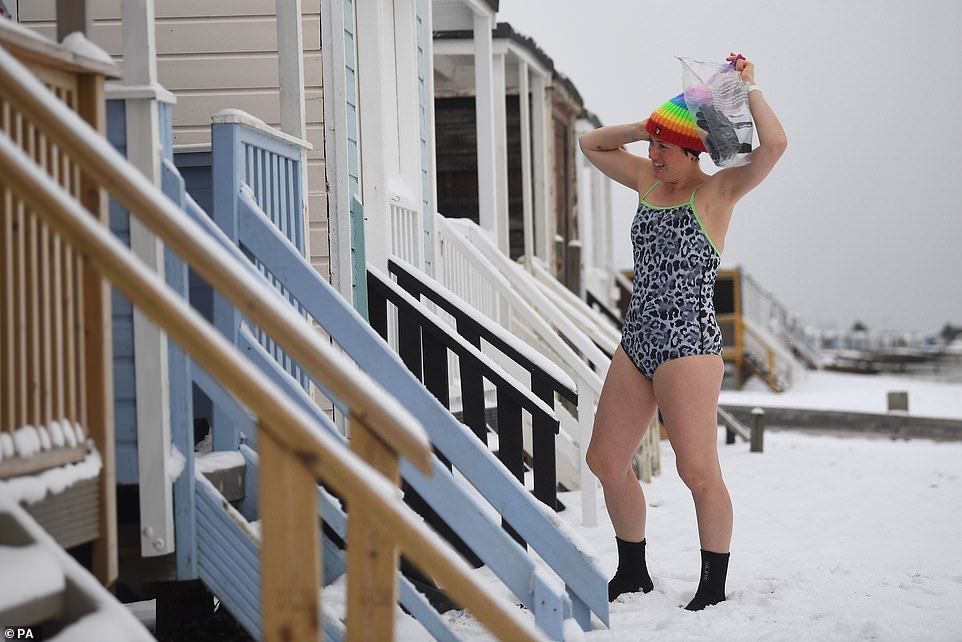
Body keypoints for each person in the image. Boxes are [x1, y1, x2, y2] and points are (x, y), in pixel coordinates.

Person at [579, 54, 787, 610]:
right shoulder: (648, 180)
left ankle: (713, 586)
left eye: (663, 147)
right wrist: (648, 125)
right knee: (605, 461)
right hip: (640, 337)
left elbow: (774, 147)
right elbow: (592, 144)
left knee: (697, 470)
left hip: (689, 344)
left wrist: (750, 90)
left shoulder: (716, 193)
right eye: (652, 146)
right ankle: (633, 572)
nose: (652, 156)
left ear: (694, 150)